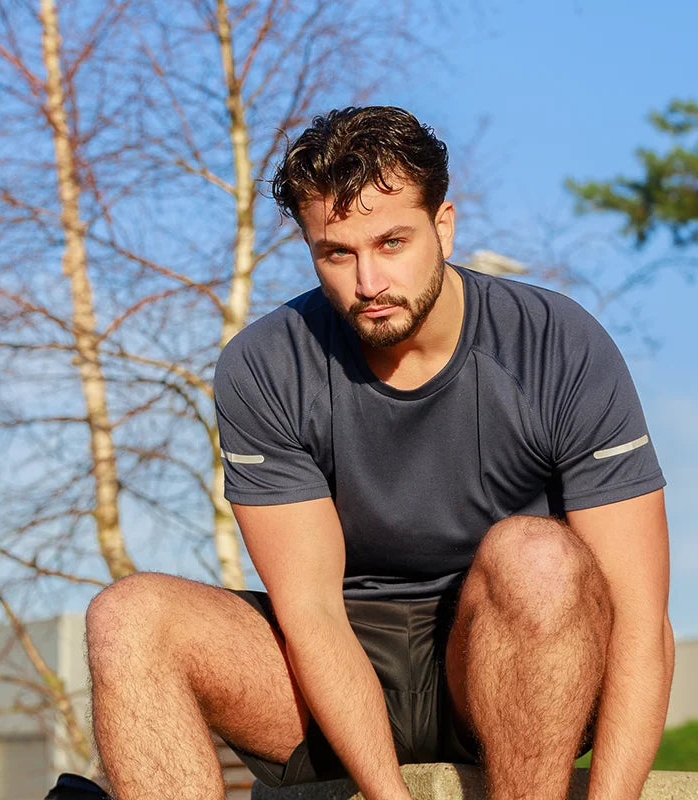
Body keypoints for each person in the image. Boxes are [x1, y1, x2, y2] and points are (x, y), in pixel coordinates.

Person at [85, 106, 674, 800]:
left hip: (513, 656)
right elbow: (311, 615)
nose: (368, 282)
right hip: (336, 668)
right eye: (337, 252)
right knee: (128, 618)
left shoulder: (558, 343)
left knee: (538, 558)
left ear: (443, 225)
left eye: (392, 242)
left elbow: (641, 622)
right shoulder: (266, 366)